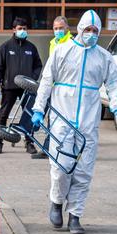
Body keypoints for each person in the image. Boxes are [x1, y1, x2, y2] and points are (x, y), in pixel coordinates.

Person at [31, 10, 117, 234]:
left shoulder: (104, 57)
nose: (92, 34)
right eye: (88, 30)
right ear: (80, 29)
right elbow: (46, 82)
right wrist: (38, 109)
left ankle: (75, 215)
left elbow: (115, 85)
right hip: (62, 119)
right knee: (61, 167)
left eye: (96, 31)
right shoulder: (62, 51)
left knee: (84, 170)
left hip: (88, 120)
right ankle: (56, 202)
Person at [0, 17, 43, 154]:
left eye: (25, 29)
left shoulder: (31, 48)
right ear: (14, 30)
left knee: (29, 114)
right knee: (4, 114)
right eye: (20, 28)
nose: (22, 31)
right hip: (9, 87)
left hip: (27, 89)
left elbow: (38, 65)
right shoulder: (5, 47)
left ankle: (29, 142)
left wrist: (31, 80)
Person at [33, 16, 73, 160]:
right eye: (55, 28)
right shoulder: (53, 43)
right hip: (53, 87)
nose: (58, 31)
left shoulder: (71, 44)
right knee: (51, 118)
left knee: (63, 119)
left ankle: (55, 148)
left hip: (66, 89)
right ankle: (48, 147)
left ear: (67, 28)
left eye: (61, 28)